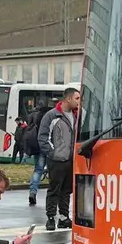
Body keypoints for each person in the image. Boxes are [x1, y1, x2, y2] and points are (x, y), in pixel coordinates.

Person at [38, 87, 82, 230]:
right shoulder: (52, 115)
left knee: (66, 190)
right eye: (77, 98)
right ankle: (50, 218)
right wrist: (52, 153)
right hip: (56, 160)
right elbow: (43, 137)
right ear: (68, 99)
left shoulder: (77, 116)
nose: (79, 101)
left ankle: (64, 217)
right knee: (54, 189)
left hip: (71, 160)